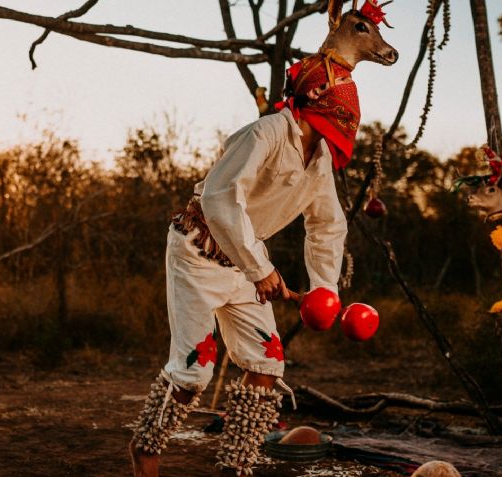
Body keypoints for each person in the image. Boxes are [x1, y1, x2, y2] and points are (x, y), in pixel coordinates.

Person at [129, 6, 397, 475]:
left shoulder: (320, 164)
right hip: (198, 249)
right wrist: (261, 269)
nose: (336, 142)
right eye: (334, 128)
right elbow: (218, 197)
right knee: (195, 370)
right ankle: (146, 450)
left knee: (267, 364)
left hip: (244, 266)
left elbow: (328, 227)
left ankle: (236, 466)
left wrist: (325, 292)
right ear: (318, 107)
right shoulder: (268, 132)